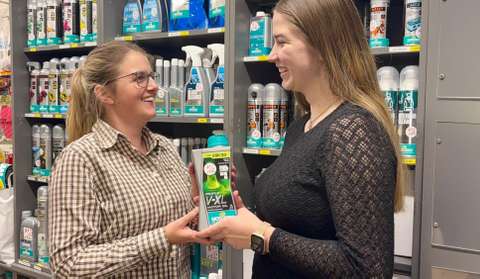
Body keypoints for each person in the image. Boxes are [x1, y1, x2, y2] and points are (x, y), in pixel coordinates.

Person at [198, 0, 405, 278]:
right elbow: (298, 223)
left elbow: (368, 269)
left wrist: (263, 237)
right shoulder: (300, 128)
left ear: (322, 44)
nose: (272, 55)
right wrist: (241, 218)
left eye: (282, 42)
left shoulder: (353, 130)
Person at [48, 41, 209, 278]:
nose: (154, 86)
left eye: (152, 77)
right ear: (104, 94)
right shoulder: (80, 159)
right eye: (139, 78)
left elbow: (184, 230)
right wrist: (161, 238)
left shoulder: (164, 147)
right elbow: (68, 265)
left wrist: (204, 201)